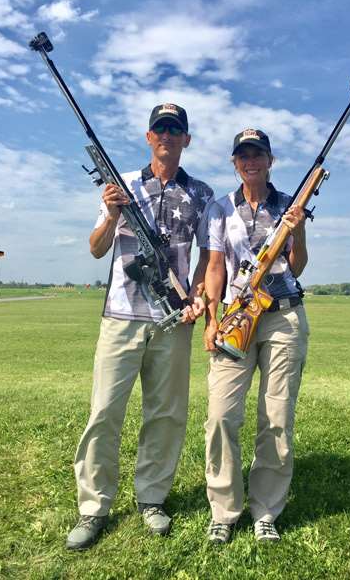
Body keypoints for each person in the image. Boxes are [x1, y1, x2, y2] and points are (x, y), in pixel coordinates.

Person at [66, 103, 214, 550]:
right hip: (121, 317)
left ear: (187, 139)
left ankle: (152, 498)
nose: (167, 135)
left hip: (174, 320)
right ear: (148, 137)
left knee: (166, 416)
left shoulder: (203, 194)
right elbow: (96, 249)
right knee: (104, 413)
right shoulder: (123, 185)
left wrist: (200, 297)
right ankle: (93, 508)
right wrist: (111, 215)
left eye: (175, 129)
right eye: (160, 129)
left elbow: (208, 258)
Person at [203, 129, 309, 543]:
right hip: (235, 317)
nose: (250, 161)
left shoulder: (288, 206)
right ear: (235, 162)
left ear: (270, 160)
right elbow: (215, 266)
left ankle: (265, 509)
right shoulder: (219, 208)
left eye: (258, 154)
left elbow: (297, 267)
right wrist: (212, 319)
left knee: (277, 417)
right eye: (243, 155)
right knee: (221, 415)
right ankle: (224, 510)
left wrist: (296, 231)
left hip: (283, 316)